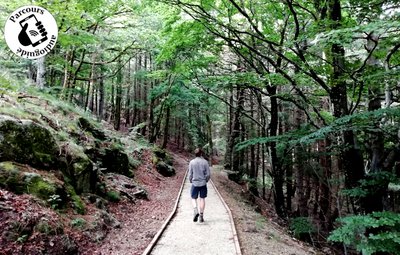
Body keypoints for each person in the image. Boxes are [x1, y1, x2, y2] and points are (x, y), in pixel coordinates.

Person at [188, 148, 210, 223]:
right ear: (201, 154)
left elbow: (190, 173)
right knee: (202, 198)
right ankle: (201, 215)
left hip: (195, 183)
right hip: (203, 183)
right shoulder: (205, 162)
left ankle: (195, 210)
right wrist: (206, 180)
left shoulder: (192, 162)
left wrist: (191, 180)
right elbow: (208, 174)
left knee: (193, 198)